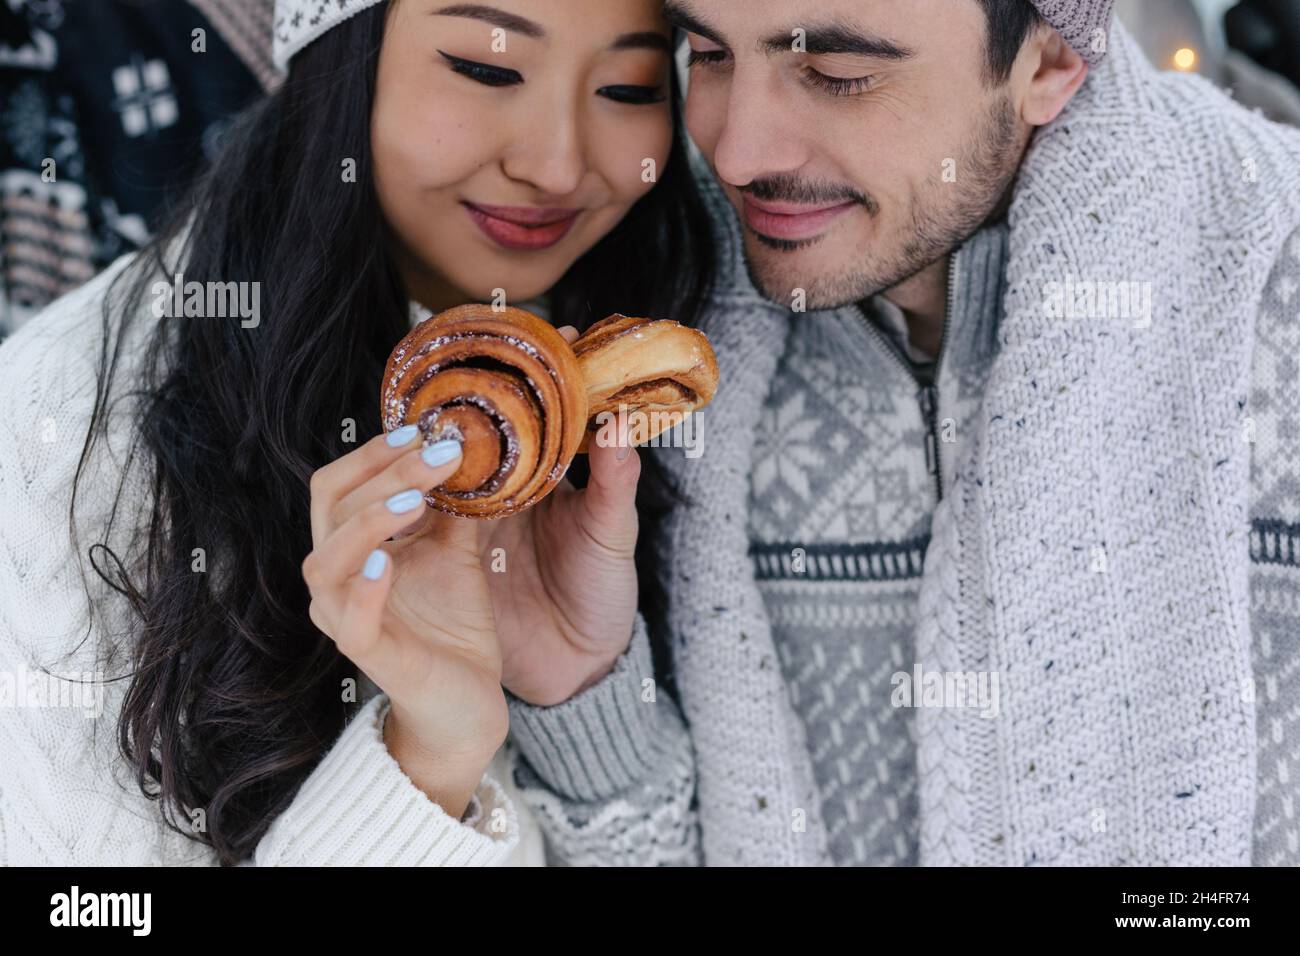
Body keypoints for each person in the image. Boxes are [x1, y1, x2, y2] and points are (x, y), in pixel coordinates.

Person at [503, 0, 1300, 866]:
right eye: (708, 54)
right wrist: (583, 696)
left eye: (840, 75)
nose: (735, 152)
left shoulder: (1275, 295)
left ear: (1049, 61)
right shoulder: (643, 310)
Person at [0, 0, 714, 865]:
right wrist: (427, 761)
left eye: (626, 87)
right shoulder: (61, 449)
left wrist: (576, 700)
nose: (557, 164)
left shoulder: (651, 392)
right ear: (341, 58)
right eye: (486, 69)